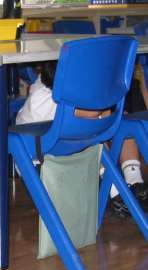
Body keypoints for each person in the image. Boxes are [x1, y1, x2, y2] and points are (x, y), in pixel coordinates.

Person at [15, 61, 148, 217]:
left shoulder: (63, 88)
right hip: (39, 165)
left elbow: (101, 118)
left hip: (69, 153)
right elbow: (92, 112)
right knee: (85, 205)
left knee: (119, 122)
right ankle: (117, 193)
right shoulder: (42, 98)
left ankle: (134, 182)